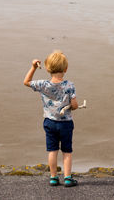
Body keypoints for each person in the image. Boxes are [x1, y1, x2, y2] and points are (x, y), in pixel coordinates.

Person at [23, 50, 78, 187]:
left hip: (49, 122)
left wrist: (34, 67)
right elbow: (75, 105)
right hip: (65, 123)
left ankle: (53, 177)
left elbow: (26, 81)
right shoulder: (69, 85)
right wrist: (72, 106)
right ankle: (67, 178)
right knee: (67, 151)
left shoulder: (43, 84)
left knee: (52, 150)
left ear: (47, 69)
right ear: (65, 69)